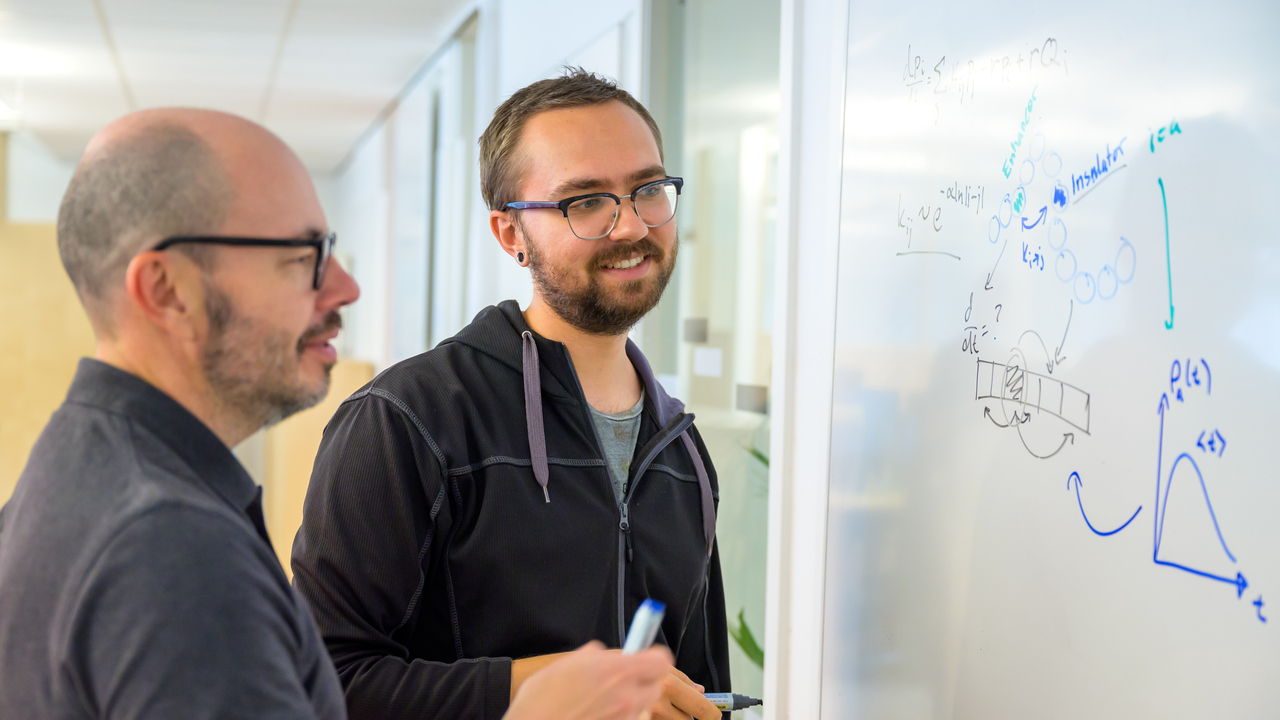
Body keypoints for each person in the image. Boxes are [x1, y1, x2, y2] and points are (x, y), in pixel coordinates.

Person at [0, 107, 673, 720]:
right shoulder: (171, 550)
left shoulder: (86, 476)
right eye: (303, 257)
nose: (346, 288)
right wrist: (524, 707)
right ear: (167, 290)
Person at [292, 69, 729, 720]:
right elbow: (322, 680)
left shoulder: (682, 451)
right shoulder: (410, 421)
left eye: (647, 189)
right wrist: (540, 689)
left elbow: (701, 686)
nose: (631, 226)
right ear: (510, 235)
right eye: (585, 201)